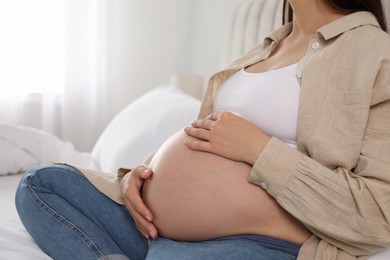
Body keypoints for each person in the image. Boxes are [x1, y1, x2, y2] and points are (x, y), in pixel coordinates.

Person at [15, 0, 390, 259]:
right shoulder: (265, 48)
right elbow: (204, 134)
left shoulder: (374, 53)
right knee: (40, 184)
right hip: (154, 227)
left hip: (259, 241)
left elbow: (377, 215)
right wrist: (138, 177)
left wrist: (259, 150)